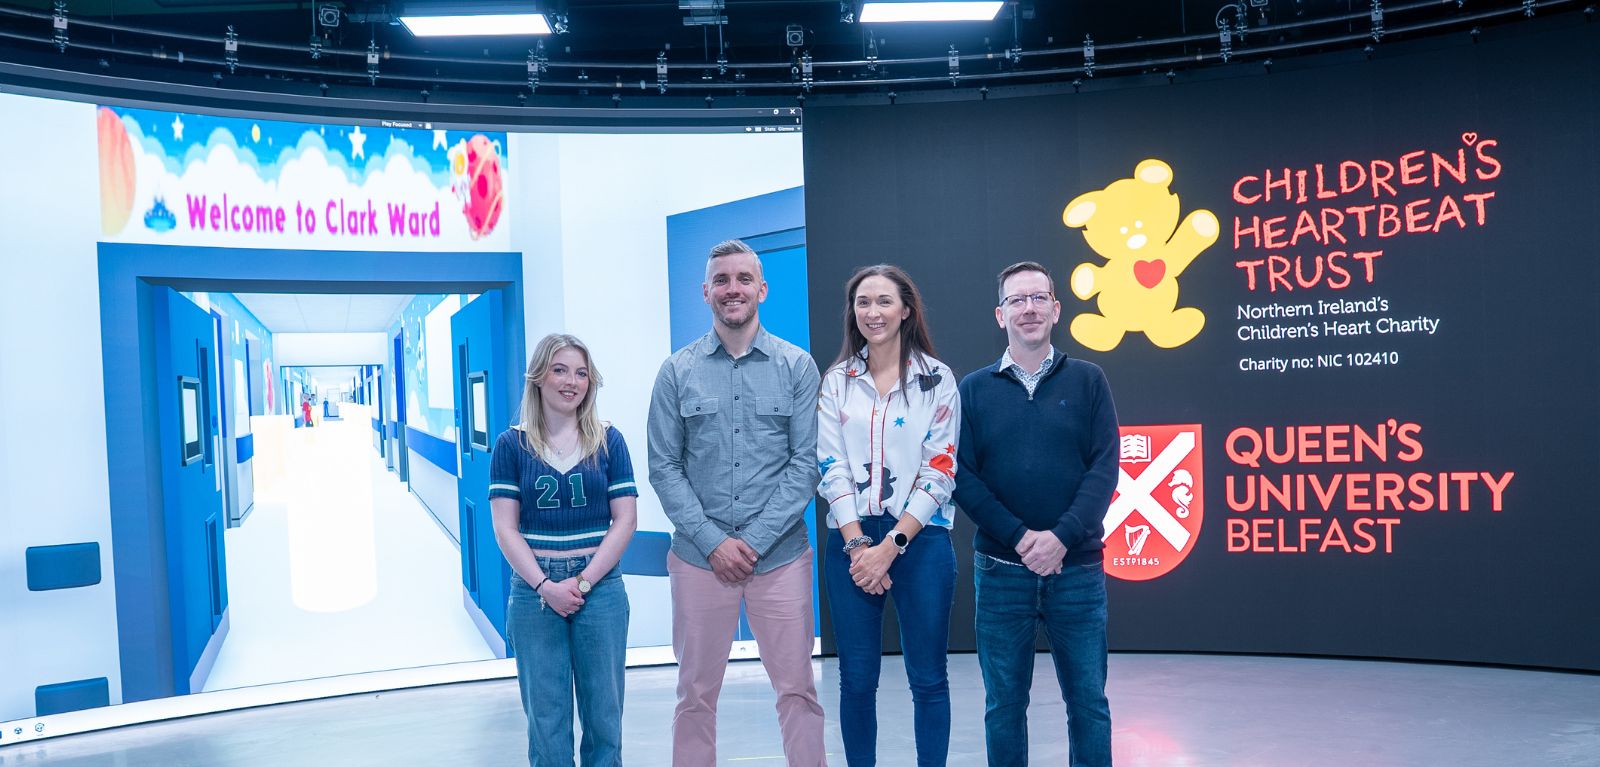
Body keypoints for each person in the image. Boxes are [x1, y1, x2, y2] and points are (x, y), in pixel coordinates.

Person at [647, 239, 825, 766]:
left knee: (797, 691)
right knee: (695, 696)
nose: (733, 290)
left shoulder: (797, 366)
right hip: (699, 560)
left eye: (743, 279)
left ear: (762, 290)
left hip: (781, 559)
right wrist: (713, 542)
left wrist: (749, 542)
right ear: (706, 292)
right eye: (722, 280)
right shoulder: (676, 372)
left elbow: (806, 464)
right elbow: (664, 467)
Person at [952, 261, 1119, 767]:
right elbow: (962, 476)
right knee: (1004, 705)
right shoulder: (973, 390)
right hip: (1001, 572)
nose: (1029, 309)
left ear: (1056, 309)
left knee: (1089, 704)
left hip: (1078, 570)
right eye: (1017, 301)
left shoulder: (1090, 380)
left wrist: (1061, 538)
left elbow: (1104, 468)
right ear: (1000, 315)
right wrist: (1023, 538)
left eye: (1038, 298)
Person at [816, 264, 960, 767]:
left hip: (919, 542)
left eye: (883, 301)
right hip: (852, 545)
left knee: (928, 677)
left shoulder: (937, 380)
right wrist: (859, 546)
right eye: (862, 302)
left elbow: (940, 470)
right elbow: (830, 466)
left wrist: (891, 547)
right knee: (856, 678)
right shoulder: (837, 381)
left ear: (905, 310)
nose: (872, 312)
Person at [489, 333, 639, 767]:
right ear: (538, 377)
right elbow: (505, 527)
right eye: (560, 370)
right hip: (535, 596)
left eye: (581, 373)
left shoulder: (609, 441)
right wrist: (545, 585)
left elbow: (625, 521)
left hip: (601, 591)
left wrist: (583, 580)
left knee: (605, 718)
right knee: (546, 720)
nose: (571, 381)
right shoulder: (511, 446)